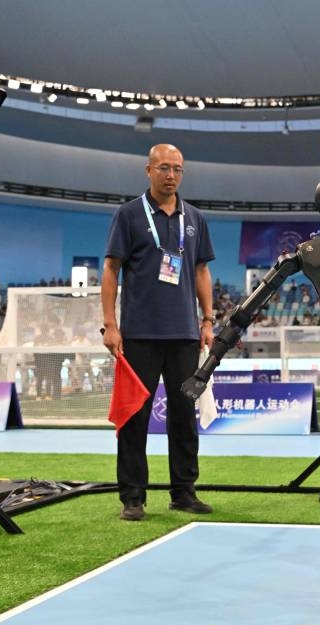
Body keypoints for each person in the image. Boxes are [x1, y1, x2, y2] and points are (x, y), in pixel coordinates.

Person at [102, 143, 216, 521]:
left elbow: (201, 271)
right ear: (148, 170)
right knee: (135, 417)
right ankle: (132, 497)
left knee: (184, 417)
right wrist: (111, 325)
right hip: (138, 335)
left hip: (184, 334)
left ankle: (183, 492)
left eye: (178, 169)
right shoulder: (129, 215)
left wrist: (207, 320)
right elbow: (111, 270)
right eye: (164, 168)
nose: (171, 175)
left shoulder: (195, 218)